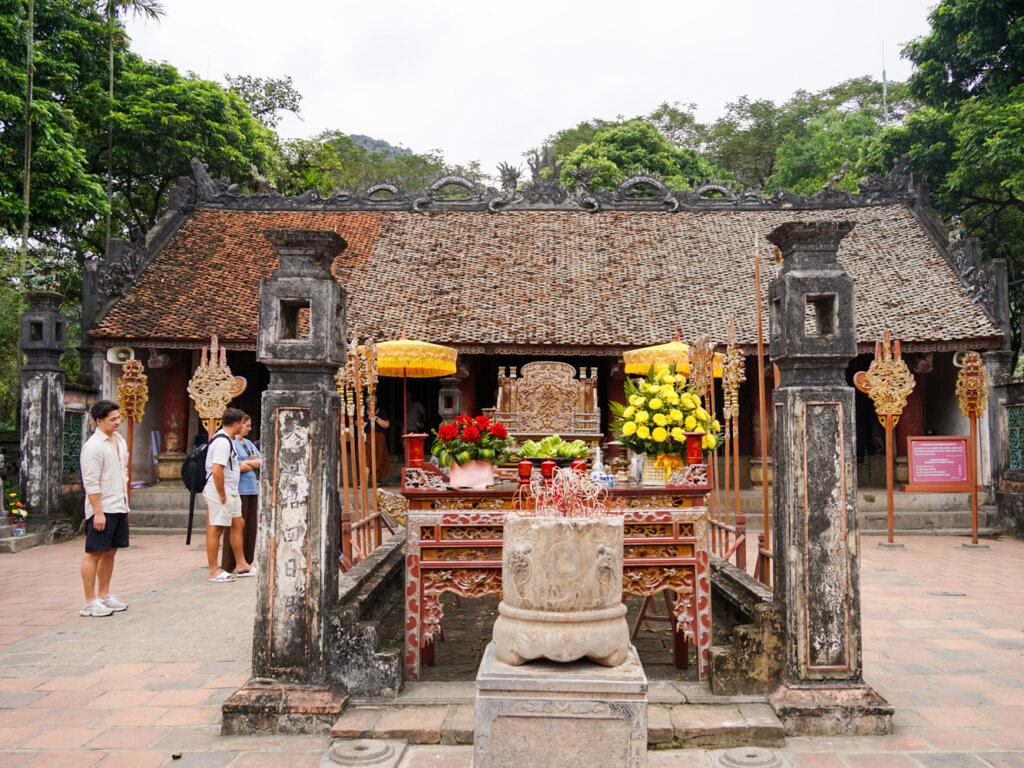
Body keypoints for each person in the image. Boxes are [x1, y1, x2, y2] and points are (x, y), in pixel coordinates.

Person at [79, 400, 130, 617]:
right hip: (102, 506)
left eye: (118, 418)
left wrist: (126, 504)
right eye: (113, 419)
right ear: (99, 421)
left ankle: (103, 594)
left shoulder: (119, 440)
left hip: (118, 503)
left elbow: (123, 474)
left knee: (110, 551)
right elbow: (90, 481)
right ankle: (89, 601)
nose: (118, 422)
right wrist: (97, 511)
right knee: (94, 552)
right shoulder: (94, 446)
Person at [204, 408, 254, 582]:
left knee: (238, 523)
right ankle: (213, 570)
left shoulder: (229, 440)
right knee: (216, 528)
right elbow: (217, 470)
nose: (244, 426)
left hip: (231, 490)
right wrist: (221, 494)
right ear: (236, 424)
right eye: (242, 423)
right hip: (220, 490)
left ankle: (241, 564)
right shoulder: (222, 442)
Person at [220, 415, 261, 574]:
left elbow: (261, 461)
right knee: (236, 527)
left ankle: (247, 561)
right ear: (239, 425)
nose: (250, 429)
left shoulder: (249, 443)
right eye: (247, 426)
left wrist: (247, 463)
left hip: (252, 488)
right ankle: (231, 562)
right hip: (237, 488)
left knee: (250, 527)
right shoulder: (230, 443)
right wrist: (251, 463)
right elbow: (235, 466)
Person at [364, 399, 391, 478]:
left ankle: (378, 480)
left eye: (373, 404)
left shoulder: (381, 412)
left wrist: (375, 418)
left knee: (379, 458)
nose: (371, 406)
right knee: (366, 459)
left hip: (379, 437)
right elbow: (358, 424)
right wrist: (368, 419)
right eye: (369, 404)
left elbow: (386, 425)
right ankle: (364, 481)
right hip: (367, 437)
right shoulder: (363, 412)